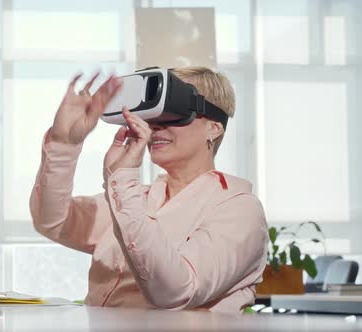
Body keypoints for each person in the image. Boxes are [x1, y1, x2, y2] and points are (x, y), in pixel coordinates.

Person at [29, 67, 268, 313]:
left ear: (214, 128)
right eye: (152, 117)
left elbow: (176, 291)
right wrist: (64, 144)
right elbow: (53, 221)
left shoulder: (239, 209)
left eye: (173, 113)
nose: (156, 127)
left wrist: (122, 182)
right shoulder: (137, 198)